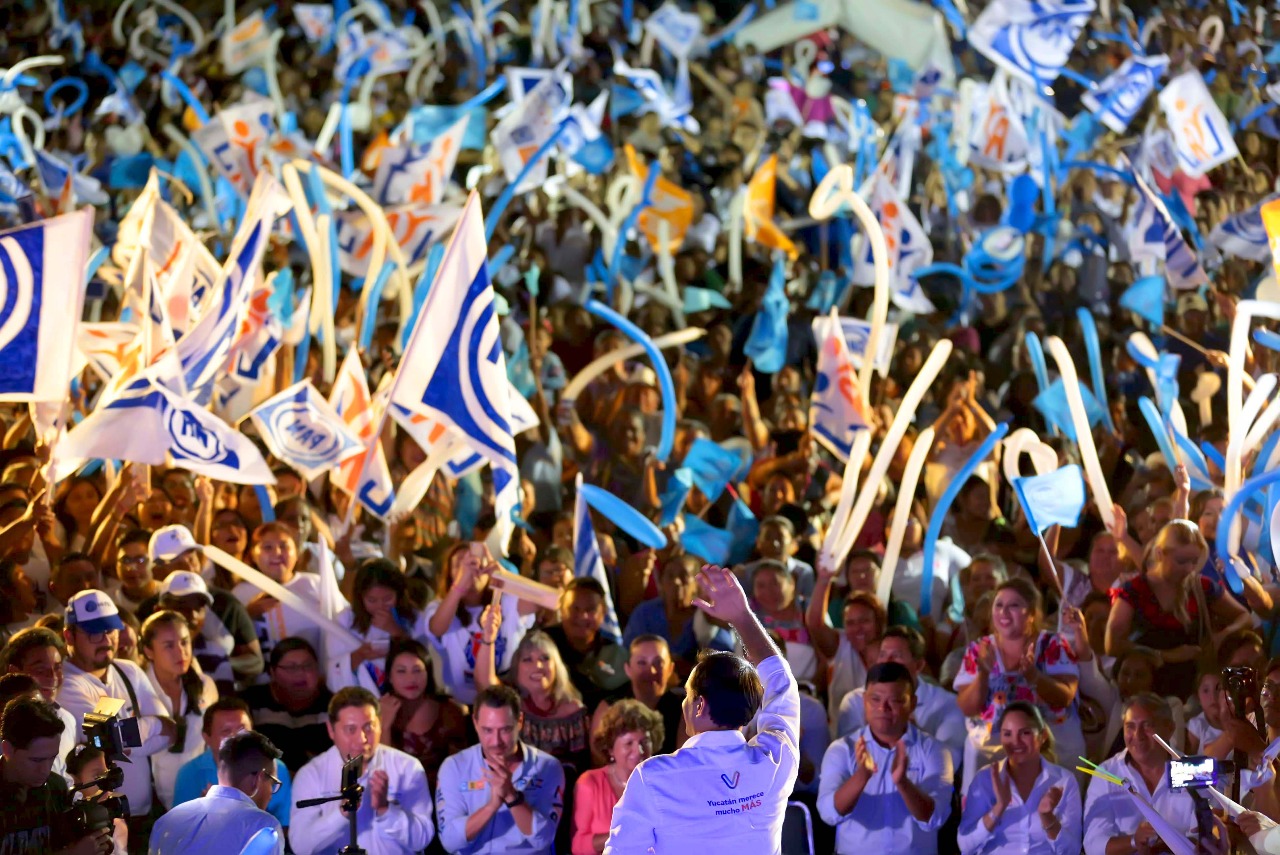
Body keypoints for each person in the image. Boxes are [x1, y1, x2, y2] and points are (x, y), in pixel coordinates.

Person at [605, 564, 799, 853]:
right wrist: (743, 618)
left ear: (698, 705)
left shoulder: (654, 776)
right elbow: (781, 684)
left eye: (687, 694)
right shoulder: (774, 761)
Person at [57, 590, 176, 827]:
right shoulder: (65, 684)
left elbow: (170, 732)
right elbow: (112, 740)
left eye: (110, 630)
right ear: (69, 636)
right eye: (94, 633)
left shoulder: (129, 670)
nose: (106, 640)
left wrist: (126, 736)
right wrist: (150, 726)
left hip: (145, 814)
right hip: (100, 820)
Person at [955, 578, 1083, 790]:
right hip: (993, 742)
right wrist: (984, 674)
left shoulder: (1053, 644)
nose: (1004, 612)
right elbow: (967, 707)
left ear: (1032, 614)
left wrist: (1034, 676)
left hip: (1049, 739)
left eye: (1013, 605)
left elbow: (1065, 696)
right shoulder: (979, 649)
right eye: (999, 605)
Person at [817, 662, 955, 854]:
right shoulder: (842, 749)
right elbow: (828, 813)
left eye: (895, 700)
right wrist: (862, 776)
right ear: (864, 701)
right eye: (875, 699)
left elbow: (935, 818)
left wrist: (903, 783)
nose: (883, 708)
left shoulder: (934, 751)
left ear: (912, 703)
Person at [1106, 520, 1250, 699]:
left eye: (1194, 561)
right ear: (1160, 554)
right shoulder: (1135, 589)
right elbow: (1112, 645)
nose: (1189, 569)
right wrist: (1166, 656)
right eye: (1181, 561)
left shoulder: (1201, 587)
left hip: (1191, 691)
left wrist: (1223, 635)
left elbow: (1245, 617)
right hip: (1143, 693)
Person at [291, 687, 435, 855]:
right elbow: (300, 847)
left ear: (380, 724)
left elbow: (422, 839)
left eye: (369, 727)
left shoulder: (407, 767)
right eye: (351, 729)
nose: (362, 739)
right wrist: (341, 813)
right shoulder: (311, 774)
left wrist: (385, 809)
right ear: (331, 730)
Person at [435, 684, 565, 854]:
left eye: (505, 730)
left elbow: (543, 839)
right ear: (475, 723)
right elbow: (450, 841)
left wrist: (512, 797)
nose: (496, 742)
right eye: (487, 730)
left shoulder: (548, 766)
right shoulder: (454, 767)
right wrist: (491, 806)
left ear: (519, 722)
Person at [475, 608, 591, 777]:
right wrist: (488, 638)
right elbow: (484, 683)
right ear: (516, 668)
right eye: (528, 659)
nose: (537, 666)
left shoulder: (573, 710)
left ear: (556, 667)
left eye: (545, 658)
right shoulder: (509, 705)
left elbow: (583, 768)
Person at [958, 701, 1083, 855]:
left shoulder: (1064, 781)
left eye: (1025, 733)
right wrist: (998, 809)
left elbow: (1072, 851)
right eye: (1007, 734)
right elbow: (965, 845)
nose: (1015, 742)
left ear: (1042, 736)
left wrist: (1047, 817)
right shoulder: (984, 779)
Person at [1082, 694, 1198, 855]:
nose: (1138, 735)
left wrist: (1167, 841)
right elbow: (1093, 845)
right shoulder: (1106, 773)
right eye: (1130, 726)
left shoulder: (1194, 770)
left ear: (1170, 729)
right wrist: (1133, 841)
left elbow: (1206, 838)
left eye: (1147, 725)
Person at [424, 542, 536, 704]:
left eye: (476, 562)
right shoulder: (439, 606)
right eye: (460, 565)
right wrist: (460, 584)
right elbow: (437, 628)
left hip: (510, 699)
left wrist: (504, 577)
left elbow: (543, 600)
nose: (471, 568)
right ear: (449, 574)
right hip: (464, 705)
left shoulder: (508, 601)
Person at [837, 625, 967, 764]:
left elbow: (951, 762)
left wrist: (915, 736)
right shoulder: (855, 701)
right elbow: (845, 760)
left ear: (918, 665)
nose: (887, 662)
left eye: (897, 656)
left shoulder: (948, 704)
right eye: (882, 655)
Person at [0, 697, 110, 855]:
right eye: (36, 760)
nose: (45, 770)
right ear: (7, 749)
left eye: (52, 758)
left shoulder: (56, 786)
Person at [148, 731, 285, 855]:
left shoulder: (167, 820)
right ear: (258, 779)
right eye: (272, 783)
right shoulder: (264, 827)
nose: (271, 794)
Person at [172, 697, 294, 832]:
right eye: (226, 732)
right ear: (207, 737)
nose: (237, 738)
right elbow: (179, 832)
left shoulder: (277, 768)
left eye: (243, 729)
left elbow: (284, 827)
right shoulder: (189, 773)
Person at [233, 523, 341, 673]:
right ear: (253, 555)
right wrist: (247, 614)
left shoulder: (315, 584)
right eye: (267, 547)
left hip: (316, 676)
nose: (277, 552)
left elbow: (344, 621)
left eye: (284, 546)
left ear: (296, 553)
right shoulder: (241, 593)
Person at [377, 638, 469, 794]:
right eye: (401, 671)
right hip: (398, 798)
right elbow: (382, 774)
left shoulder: (451, 711)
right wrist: (384, 727)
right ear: (390, 678)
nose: (411, 679)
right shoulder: (376, 713)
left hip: (446, 796)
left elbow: (463, 770)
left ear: (428, 672)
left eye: (417, 670)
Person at [572, 699, 664, 855]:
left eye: (645, 741)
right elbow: (578, 846)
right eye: (629, 743)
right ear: (610, 749)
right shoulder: (590, 783)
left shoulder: (662, 782)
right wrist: (622, 834)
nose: (639, 750)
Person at [623, 554, 737, 675]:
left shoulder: (707, 615)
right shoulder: (645, 613)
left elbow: (725, 660)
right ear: (660, 583)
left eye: (684, 576)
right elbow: (628, 653)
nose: (676, 582)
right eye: (670, 576)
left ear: (696, 585)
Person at [328, 558, 425, 694]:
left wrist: (396, 631)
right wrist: (360, 654)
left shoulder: (414, 617)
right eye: (372, 600)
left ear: (399, 594)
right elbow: (333, 667)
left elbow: (425, 658)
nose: (380, 606)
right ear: (360, 598)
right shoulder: (345, 619)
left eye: (387, 599)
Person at [241, 638, 333, 774]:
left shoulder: (332, 705)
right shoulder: (252, 702)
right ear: (272, 672)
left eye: (307, 666)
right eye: (291, 667)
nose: (300, 673)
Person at [2, 626, 77, 780]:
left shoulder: (67, 720)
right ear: (14, 671)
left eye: (57, 668)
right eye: (41, 670)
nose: (53, 677)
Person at [543, 577, 629, 711]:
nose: (583, 616)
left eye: (591, 610)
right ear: (561, 609)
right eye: (575, 608)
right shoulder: (542, 645)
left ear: (603, 612)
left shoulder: (616, 655)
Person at [592, 634, 684, 755]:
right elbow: (599, 759)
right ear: (628, 669)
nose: (651, 670)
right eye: (642, 663)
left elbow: (684, 761)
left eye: (658, 663)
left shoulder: (684, 709)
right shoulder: (609, 707)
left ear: (670, 669)